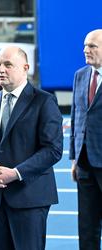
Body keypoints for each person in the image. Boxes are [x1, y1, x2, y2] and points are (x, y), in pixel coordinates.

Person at [0, 46, 63, 250]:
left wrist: (17, 173)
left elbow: (53, 149)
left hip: (29, 197)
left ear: (25, 68)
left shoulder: (44, 101)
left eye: (8, 64)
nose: (1, 69)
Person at [70, 29, 102, 250]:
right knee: (87, 226)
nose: (85, 50)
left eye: (92, 46)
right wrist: (73, 158)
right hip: (84, 162)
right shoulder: (80, 75)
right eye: (84, 46)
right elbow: (75, 116)